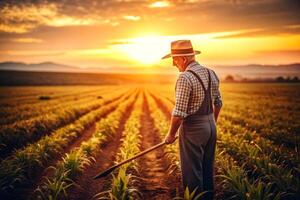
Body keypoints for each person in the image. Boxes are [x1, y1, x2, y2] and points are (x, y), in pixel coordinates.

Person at [162, 40, 222, 199]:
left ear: (183, 59)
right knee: (207, 171)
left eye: (174, 59)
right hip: (211, 128)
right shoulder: (211, 73)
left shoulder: (184, 77)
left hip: (193, 129)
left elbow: (179, 113)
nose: (173, 64)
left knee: (192, 175)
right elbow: (219, 103)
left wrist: (170, 134)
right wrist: (211, 123)